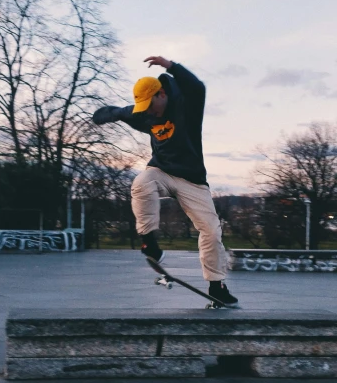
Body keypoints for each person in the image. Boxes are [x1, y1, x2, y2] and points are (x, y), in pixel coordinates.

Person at [92, 56, 238, 306]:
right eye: (145, 110)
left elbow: (197, 88)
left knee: (212, 232)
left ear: (161, 94)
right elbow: (119, 112)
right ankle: (149, 242)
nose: (150, 113)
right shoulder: (143, 113)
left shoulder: (185, 104)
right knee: (141, 182)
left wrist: (171, 66)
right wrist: (103, 115)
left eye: (152, 106)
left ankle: (217, 286)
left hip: (192, 179)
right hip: (161, 170)